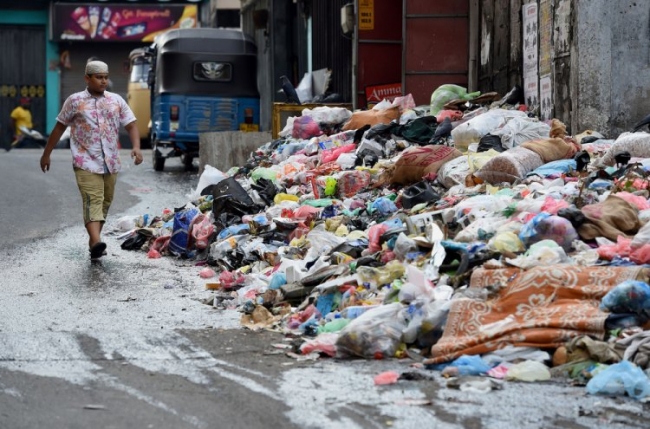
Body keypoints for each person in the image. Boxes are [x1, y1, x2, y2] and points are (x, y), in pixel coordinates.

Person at [40, 60, 143, 261]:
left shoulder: (116, 101)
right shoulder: (74, 101)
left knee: (105, 202)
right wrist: (46, 153)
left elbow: (131, 124)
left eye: (106, 77)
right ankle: (96, 241)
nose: (103, 81)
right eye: (99, 77)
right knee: (92, 200)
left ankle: (93, 241)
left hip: (111, 161)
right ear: (87, 78)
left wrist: (137, 148)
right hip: (85, 161)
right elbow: (60, 127)